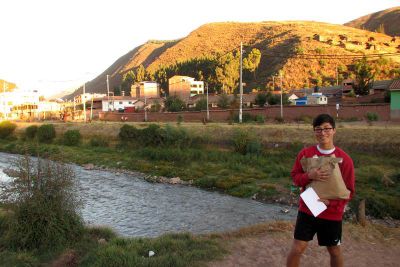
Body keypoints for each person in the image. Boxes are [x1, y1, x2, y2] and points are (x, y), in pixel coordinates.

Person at [286, 114, 355, 267]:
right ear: (314, 132)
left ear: (334, 130)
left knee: (334, 250)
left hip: (332, 213)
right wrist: (309, 176)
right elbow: (295, 177)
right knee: (297, 247)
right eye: (318, 129)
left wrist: (329, 202)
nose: (323, 133)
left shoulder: (345, 159)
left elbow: (349, 191)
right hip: (308, 209)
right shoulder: (305, 154)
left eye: (326, 129)